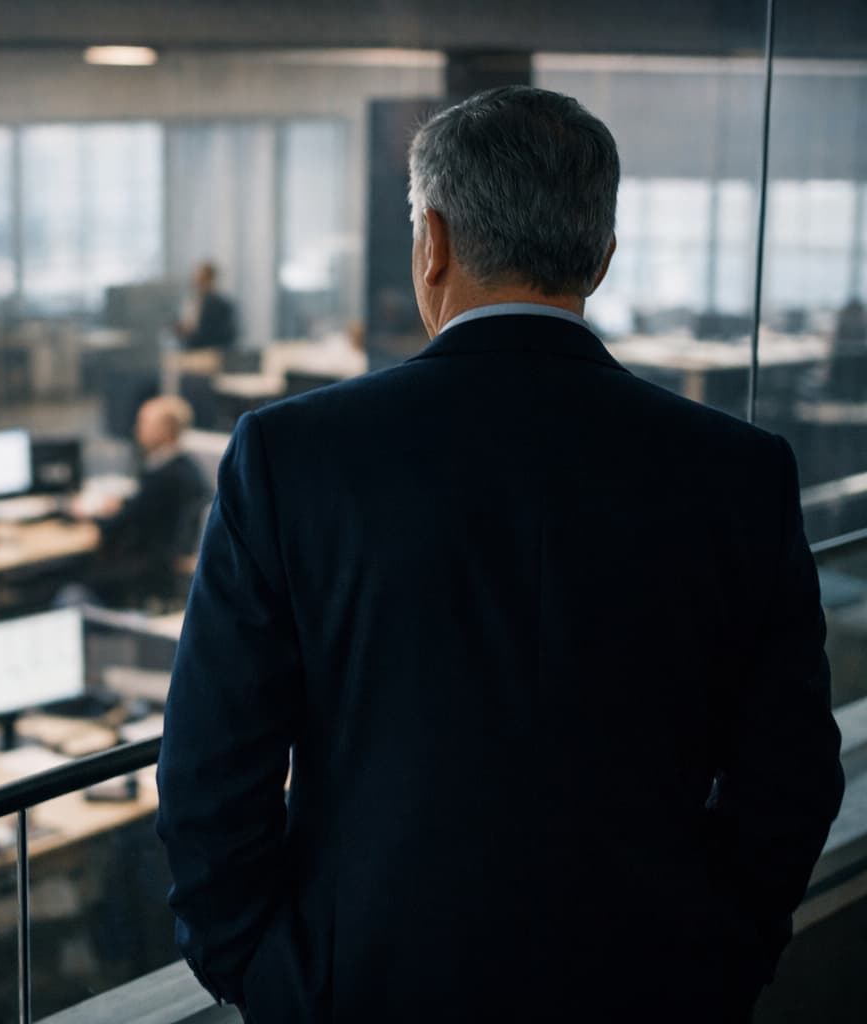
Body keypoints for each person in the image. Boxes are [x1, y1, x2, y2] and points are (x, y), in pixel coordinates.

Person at [156, 86, 844, 1023]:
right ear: (600, 259)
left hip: (361, 990)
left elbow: (208, 773)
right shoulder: (741, 473)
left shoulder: (294, 457)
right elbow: (793, 777)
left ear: (429, 242)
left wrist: (264, 973)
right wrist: (720, 958)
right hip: (652, 991)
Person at [79, 396, 209, 607]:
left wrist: (89, 518)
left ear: (166, 430)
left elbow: (123, 523)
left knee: (76, 579)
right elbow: (147, 508)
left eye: (144, 423)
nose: (137, 429)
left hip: (148, 569)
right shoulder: (186, 468)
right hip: (166, 563)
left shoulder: (162, 477)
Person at [174, 261, 238, 352]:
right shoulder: (192, 302)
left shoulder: (219, 304)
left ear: (210, 279)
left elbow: (225, 334)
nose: (196, 282)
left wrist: (189, 333)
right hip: (192, 350)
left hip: (211, 352)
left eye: (201, 279)